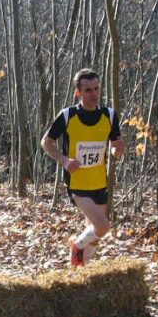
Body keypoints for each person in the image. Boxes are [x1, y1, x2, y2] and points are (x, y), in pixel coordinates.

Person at [41, 68, 125, 267]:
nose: (94, 94)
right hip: (78, 183)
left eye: (96, 89)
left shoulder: (110, 115)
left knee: (94, 236)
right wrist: (64, 161)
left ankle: (78, 271)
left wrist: (117, 151)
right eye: (88, 90)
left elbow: (115, 147)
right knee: (103, 227)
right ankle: (76, 246)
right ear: (78, 92)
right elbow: (46, 142)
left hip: (99, 182)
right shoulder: (68, 115)